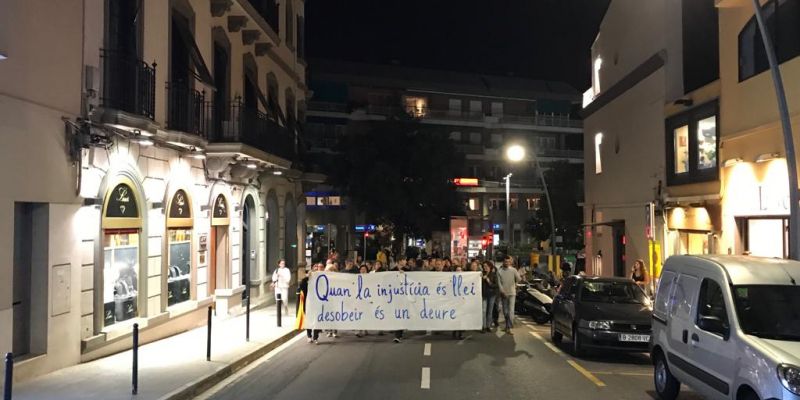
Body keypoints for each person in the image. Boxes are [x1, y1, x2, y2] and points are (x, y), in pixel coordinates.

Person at [496, 255, 521, 334]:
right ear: (503, 262)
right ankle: (508, 325)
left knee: (511, 310)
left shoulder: (513, 270)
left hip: (512, 293)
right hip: (504, 293)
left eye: (508, 262)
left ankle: (508, 326)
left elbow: (518, 279)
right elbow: (499, 283)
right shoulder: (499, 271)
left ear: (510, 262)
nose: (506, 263)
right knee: (505, 311)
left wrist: (515, 284)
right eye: (505, 261)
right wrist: (502, 291)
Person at [299, 263, 323, 344]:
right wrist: (306, 277)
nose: (316, 269)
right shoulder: (307, 279)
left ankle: (315, 337)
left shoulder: (321, 279)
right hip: (308, 302)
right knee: (309, 319)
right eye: (315, 267)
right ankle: (309, 336)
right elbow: (301, 287)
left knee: (316, 320)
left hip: (317, 302)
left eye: (317, 268)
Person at [482, 261, 499, 332]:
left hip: (492, 295)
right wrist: (482, 279)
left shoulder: (494, 275)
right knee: (484, 310)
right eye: (484, 266)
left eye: (486, 266)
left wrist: (488, 281)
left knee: (490, 311)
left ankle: (488, 326)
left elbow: (496, 285)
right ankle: (483, 326)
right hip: (484, 295)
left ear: (490, 267)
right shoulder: (481, 274)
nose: (485, 268)